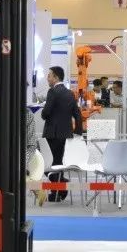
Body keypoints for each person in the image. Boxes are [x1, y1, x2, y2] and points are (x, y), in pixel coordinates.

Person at [0, 92, 46, 205]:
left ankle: (27, 181)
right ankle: (30, 183)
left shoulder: (27, 115)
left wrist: (20, 162)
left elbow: (31, 146)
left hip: (15, 161)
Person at [41, 65, 82, 202]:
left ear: (56, 77)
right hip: (66, 135)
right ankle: (58, 191)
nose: (47, 78)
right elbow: (77, 114)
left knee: (48, 164)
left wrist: (43, 113)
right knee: (58, 163)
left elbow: (46, 112)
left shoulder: (52, 92)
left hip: (52, 134)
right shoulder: (69, 93)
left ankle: (61, 188)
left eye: (49, 75)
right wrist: (77, 132)